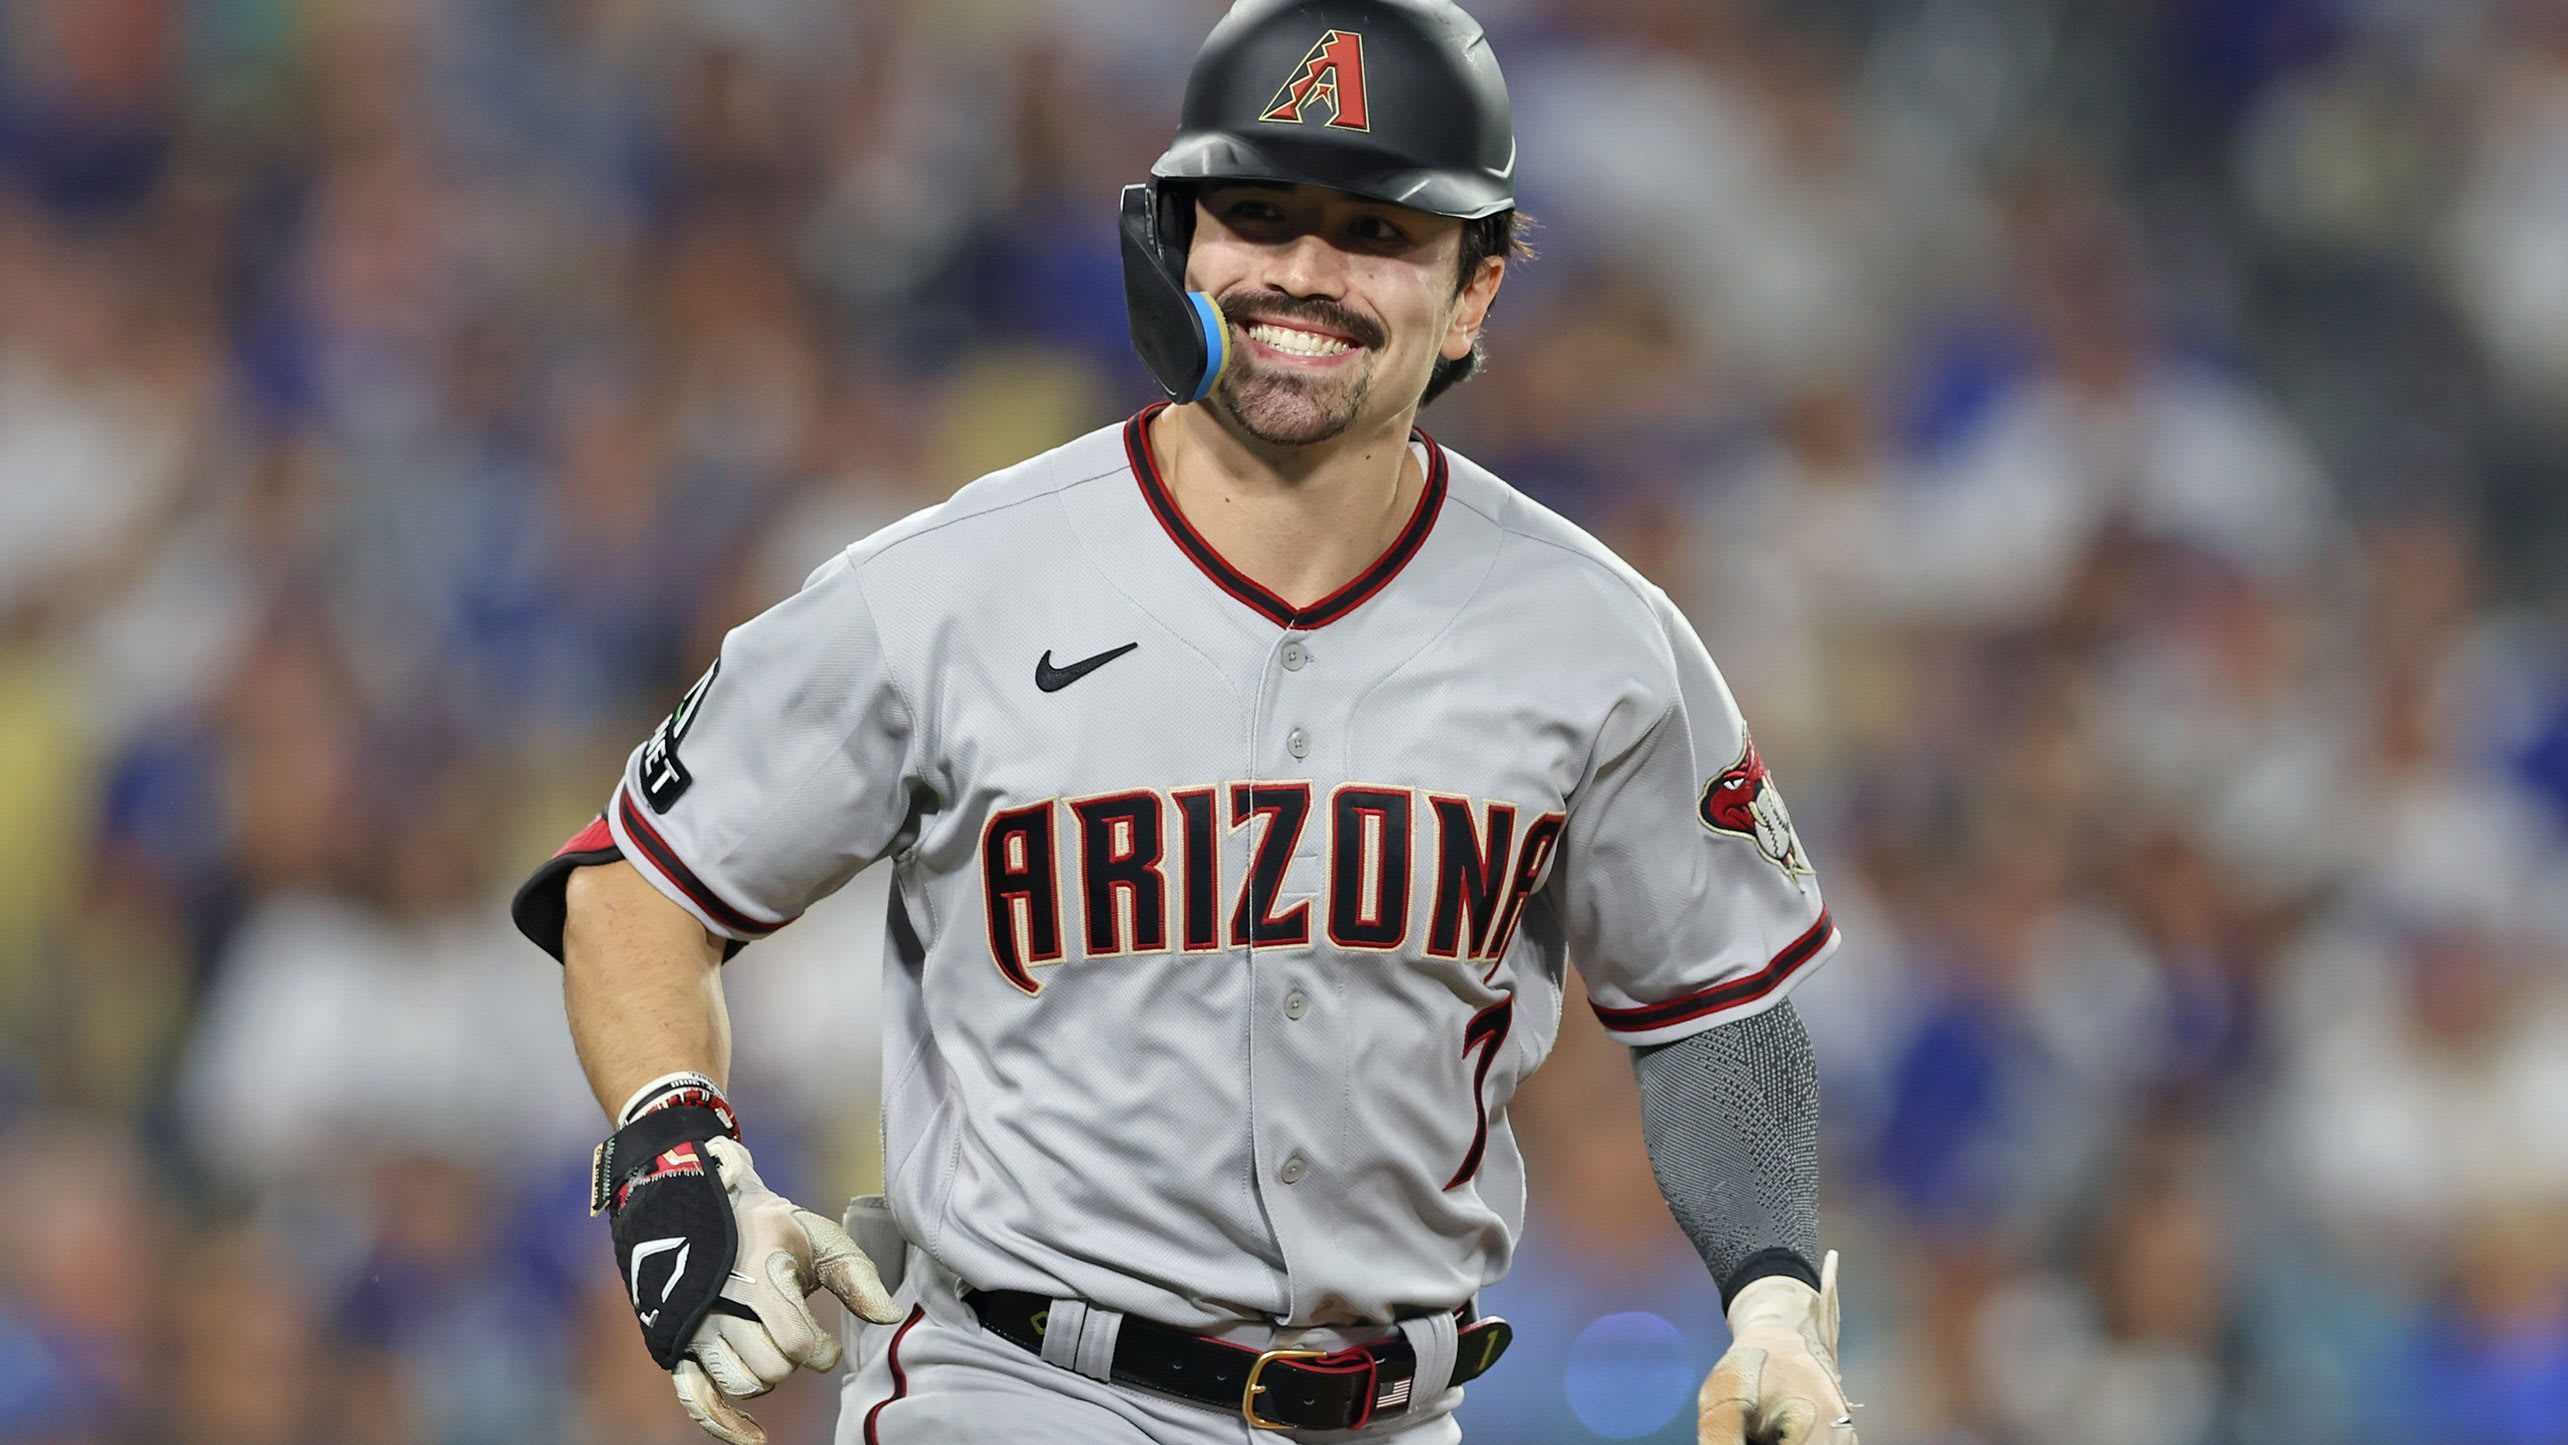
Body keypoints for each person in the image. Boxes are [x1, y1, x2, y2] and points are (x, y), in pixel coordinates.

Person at [511, 2, 1858, 1441]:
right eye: (1258, 215)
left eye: (1377, 232)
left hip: (1397, 1412)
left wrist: (1770, 1293)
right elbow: (639, 878)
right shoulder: (946, 587)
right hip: (1012, 1388)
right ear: (1175, 242)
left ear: (1475, 293)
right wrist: (675, 1135)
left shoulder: (1597, 634)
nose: (1302, 272)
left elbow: (1717, 1004)